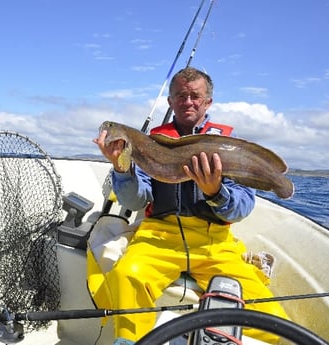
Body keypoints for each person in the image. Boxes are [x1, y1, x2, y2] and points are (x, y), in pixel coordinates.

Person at [91, 67, 288, 344]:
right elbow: (135, 200)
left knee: (273, 319)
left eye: (195, 96)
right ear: (170, 102)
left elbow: (241, 208)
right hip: (159, 236)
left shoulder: (225, 145)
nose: (188, 102)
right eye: (180, 95)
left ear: (208, 102)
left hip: (214, 243)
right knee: (126, 276)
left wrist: (215, 192)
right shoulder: (150, 143)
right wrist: (120, 168)